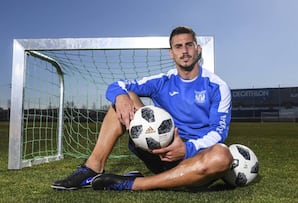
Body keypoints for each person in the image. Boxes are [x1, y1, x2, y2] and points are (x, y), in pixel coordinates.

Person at [51, 26, 233, 191]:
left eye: (189, 45)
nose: (184, 51)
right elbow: (118, 84)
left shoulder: (217, 86)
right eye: (178, 47)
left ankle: (133, 183)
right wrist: (120, 97)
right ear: (171, 53)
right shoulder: (163, 81)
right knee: (125, 96)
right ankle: (92, 167)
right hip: (158, 150)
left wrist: (187, 148)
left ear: (198, 49)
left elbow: (219, 131)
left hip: (193, 160)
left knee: (222, 156)